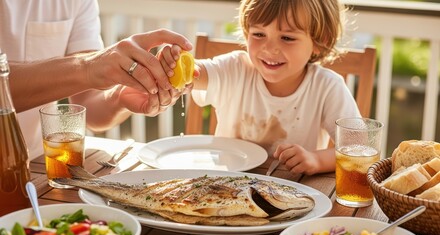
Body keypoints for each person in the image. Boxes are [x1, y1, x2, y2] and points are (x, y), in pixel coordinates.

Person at [158, 0, 361, 175]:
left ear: (320, 41)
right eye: (258, 34)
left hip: (293, 193)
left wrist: (316, 161)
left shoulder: (327, 87)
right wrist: (174, 64)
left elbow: (359, 149)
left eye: (287, 38)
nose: (269, 48)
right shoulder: (234, 69)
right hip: (224, 188)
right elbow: (194, 73)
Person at [0, 0, 192, 160]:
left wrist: (119, 97)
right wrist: (88, 67)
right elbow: (88, 70)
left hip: (37, 164)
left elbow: (89, 105)